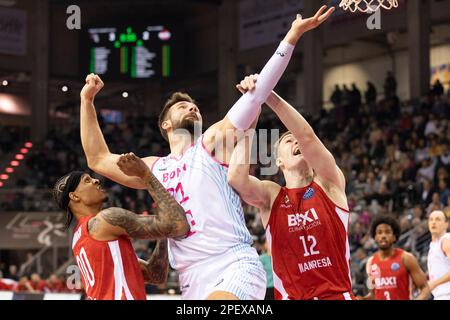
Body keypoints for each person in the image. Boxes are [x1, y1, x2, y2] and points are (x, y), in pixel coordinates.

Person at [79, 5, 335, 300]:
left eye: (194, 106)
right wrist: (87, 101)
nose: (192, 107)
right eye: (181, 106)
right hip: (190, 277)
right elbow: (97, 158)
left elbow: (258, 93)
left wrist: (292, 35)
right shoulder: (153, 168)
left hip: (232, 263)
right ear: (165, 124)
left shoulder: (211, 142)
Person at [228, 74, 354, 300]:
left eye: (296, 138)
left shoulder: (329, 183)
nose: (296, 140)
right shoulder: (271, 194)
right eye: (288, 140)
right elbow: (236, 178)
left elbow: (306, 136)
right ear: (279, 161)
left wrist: (267, 94)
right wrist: (253, 110)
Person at [52, 153, 190, 300]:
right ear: (74, 196)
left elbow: (155, 275)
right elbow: (178, 225)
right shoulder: (106, 220)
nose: (96, 180)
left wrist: (162, 233)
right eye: (87, 180)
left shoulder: (79, 238)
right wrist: (145, 174)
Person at [359, 215, 430, 300]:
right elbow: (374, 294)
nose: (383, 236)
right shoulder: (370, 262)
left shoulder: (406, 258)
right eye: (380, 232)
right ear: (375, 237)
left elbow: (425, 288)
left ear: (394, 236)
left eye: (387, 232)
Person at [427, 210, 450, 300]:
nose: (433, 222)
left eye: (438, 219)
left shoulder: (446, 240)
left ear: (446, 224)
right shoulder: (433, 244)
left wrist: (434, 283)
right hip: (440, 295)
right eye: (431, 219)